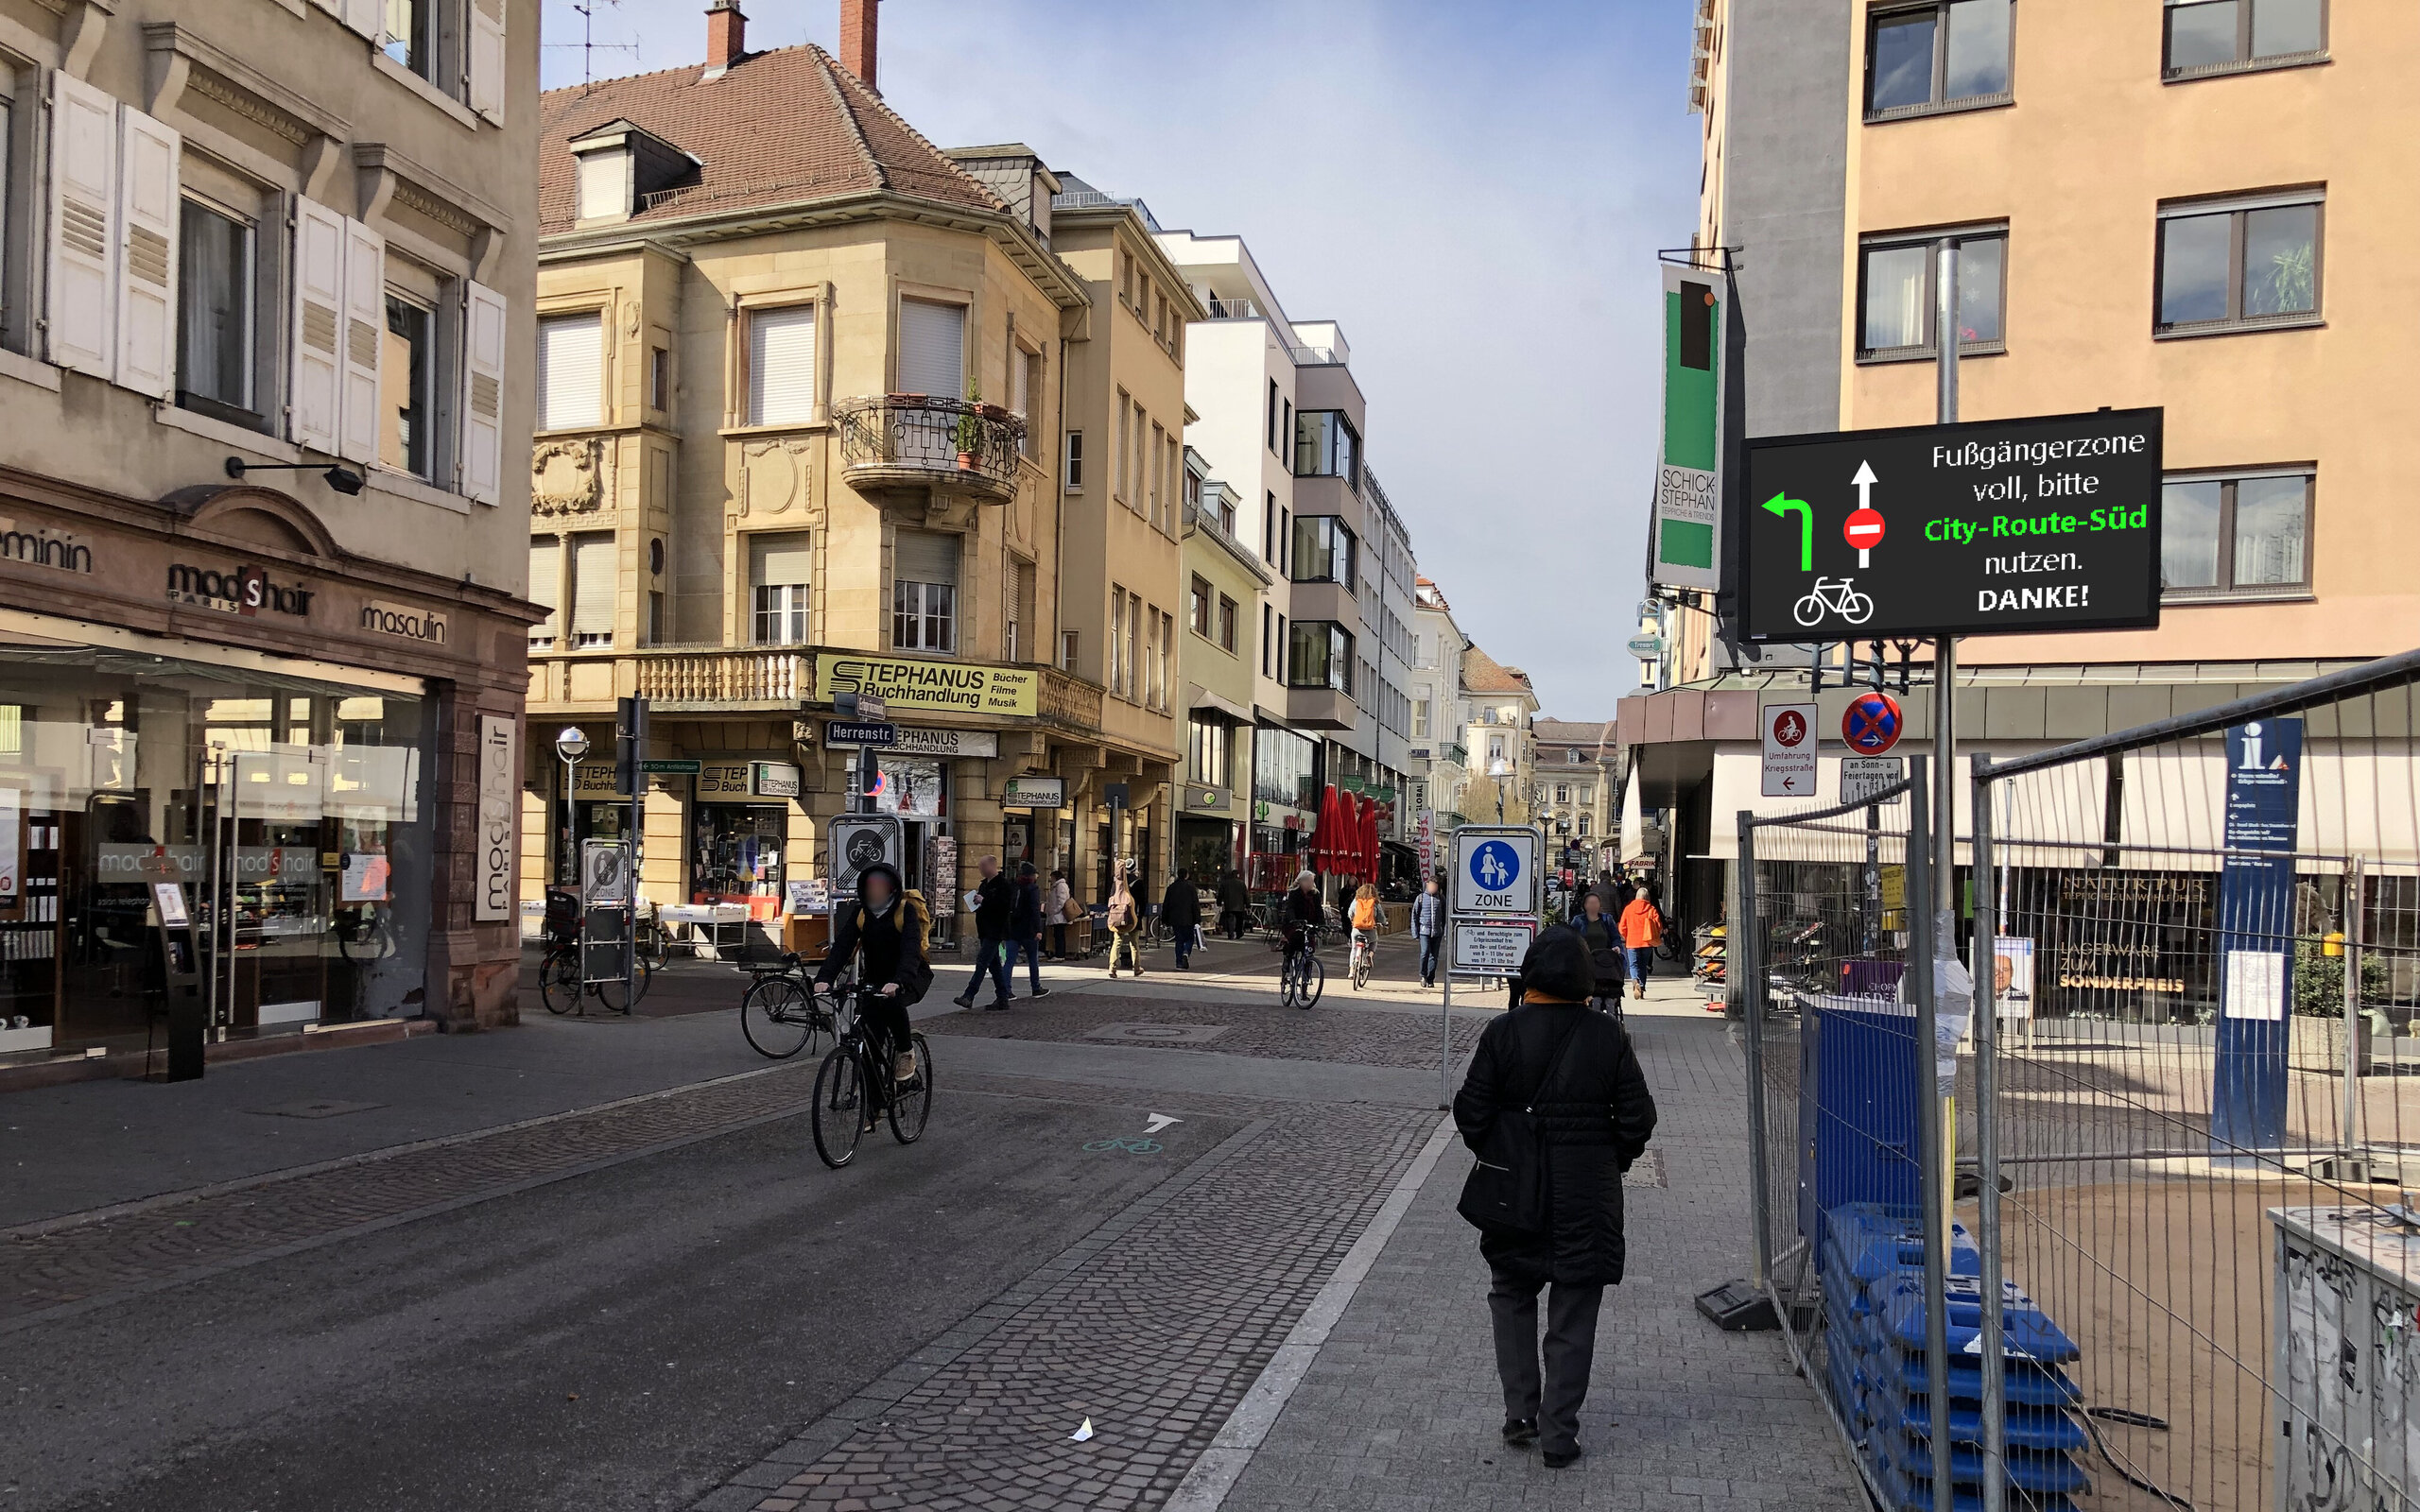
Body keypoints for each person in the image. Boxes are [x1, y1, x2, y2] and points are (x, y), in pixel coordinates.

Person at [1453, 930, 1657, 1469]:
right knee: (1574, 1308)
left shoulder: (1502, 1033)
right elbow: (1639, 1118)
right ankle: (1558, 1436)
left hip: (1511, 1197)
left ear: (1531, 975)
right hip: (1587, 1197)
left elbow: (1470, 1112)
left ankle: (1521, 1413)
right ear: (1585, 982)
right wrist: (1610, 1159)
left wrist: (1504, 1150)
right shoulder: (1607, 1037)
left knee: (1511, 1293)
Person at [812, 863, 934, 1113]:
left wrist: (899, 981)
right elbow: (843, 948)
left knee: (892, 1003)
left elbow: (911, 950)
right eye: (870, 886)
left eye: (879, 886)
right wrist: (825, 978)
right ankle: (874, 1106)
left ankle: (906, 1051)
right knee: (867, 1041)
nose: (874, 891)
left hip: (910, 976)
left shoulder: (905, 911)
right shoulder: (863, 913)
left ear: (891, 888)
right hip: (875, 979)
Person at [953, 855, 1016, 1010]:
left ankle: (969, 995)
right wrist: (976, 902)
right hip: (984, 928)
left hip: (996, 929)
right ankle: (1002, 997)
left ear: (992, 866)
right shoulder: (984, 885)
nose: (980, 869)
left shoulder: (1003, 885)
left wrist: (984, 901)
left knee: (982, 961)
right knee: (994, 965)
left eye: (982, 866)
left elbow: (1004, 906)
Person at [1005, 861, 1050, 999]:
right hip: (1029, 929)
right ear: (1032, 875)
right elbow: (1034, 910)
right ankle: (1036, 988)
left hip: (1013, 928)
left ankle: (1005, 990)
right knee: (1032, 959)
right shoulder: (1032, 889)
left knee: (1009, 960)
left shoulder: (1013, 886)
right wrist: (1038, 930)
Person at [1571, 892, 1623, 1012]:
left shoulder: (1606, 919)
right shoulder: (1578, 920)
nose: (1593, 906)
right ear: (1585, 906)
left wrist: (1616, 947)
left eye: (1596, 903)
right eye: (1590, 903)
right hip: (1586, 961)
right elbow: (1572, 937)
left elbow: (1615, 937)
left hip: (1604, 962)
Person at [1278, 869, 1324, 1001]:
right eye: (1309, 881)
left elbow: (1319, 910)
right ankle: (1287, 962)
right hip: (1294, 924)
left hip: (1309, 925)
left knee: (1308, 954)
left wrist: (1321, 924)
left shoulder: (1315, 894)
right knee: (1293, 943)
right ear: (1302, 881)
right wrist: (1294, 920)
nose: (1311, 883)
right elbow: (1290, 908)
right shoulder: (1294, 894)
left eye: (1312, 881)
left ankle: (1304, 988)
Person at [1617, 885, 1663, 1001]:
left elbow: (1622, 926)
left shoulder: (1629, 908)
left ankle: (1635, 980)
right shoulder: (1652, 909)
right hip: (1647, 942)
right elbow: (1658, 926)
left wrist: (1627, 936)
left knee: (1633, 965)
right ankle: (1642, 987)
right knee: (1643, 965)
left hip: (1632, 941)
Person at [1104, 870, 1143, 979]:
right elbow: (1142, 902)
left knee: (1117, 942)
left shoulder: (1115, 883)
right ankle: (1136, 968)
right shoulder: (1138, 882)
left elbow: (1111, 900)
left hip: (1118, 916)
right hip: (1133, 916)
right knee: (1134, 943)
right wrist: (1139, 917)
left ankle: (1112, 968)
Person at [1162, 868, 1202, 970]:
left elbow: (1166, 904)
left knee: (1179, 940)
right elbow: (1195, 905)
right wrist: (1197, 919)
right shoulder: (1191, 888)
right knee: (1189, 938)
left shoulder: (1171, 888)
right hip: (1189, 918)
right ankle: (1186, 952)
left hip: (1175, 918)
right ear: (1186, 875)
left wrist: (1164, 919)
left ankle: (1179, 963)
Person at [1410, 875, 1445, 988]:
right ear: (1427, 885)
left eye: (1435, 886)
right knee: (1424, 953)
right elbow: (1414, 916)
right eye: (1431, 885)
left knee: (1434, 956)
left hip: (1437, 931)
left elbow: (1444, 915)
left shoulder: (1440, 898)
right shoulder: (1420, 898)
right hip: (1424, 930)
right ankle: (1423, 975)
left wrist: (1443, 930)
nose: (1433, 887)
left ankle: (1431, 979)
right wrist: (1415, 932)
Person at [1348, 882, 1381, 988]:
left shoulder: (1356, 900)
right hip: (1370, 929)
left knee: (1354, 948)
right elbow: (1381, 916)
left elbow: (1350, 912)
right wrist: (1384, 923)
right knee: (1374, 941)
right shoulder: (1375, 902)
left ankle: (1352, 970)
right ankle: (1369, 955)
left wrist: (1352, 920)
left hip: (1357, 929)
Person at [1218, 868, 1251, 940]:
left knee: (1230, 920)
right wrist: (1248, 905)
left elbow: (1220, 894)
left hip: (1229, 904)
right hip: (1239, 905)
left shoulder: (1225, 883)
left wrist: (1219, 902)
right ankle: (1239, 933)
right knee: (1239, 920)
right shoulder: (1241, 883)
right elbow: (1245, 895)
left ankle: (1230, 934)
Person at [1047, 869, 1074, 959]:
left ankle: (1059, 954)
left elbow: (1061, 901)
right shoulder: (1059, 886)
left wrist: (1055, 910)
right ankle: (1059, 954)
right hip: (1058, 915)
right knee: (1058, 935)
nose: (1050, 879)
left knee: (1059, 935)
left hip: (1059, 916)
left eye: (1052, 877)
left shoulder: (1060, 886)